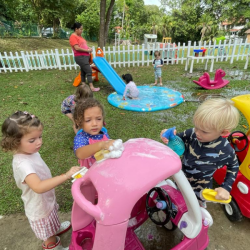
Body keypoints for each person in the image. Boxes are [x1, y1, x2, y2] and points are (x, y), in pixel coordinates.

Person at [1, 111, 81, 250]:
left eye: (40, 137)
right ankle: (53, 246)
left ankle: (54, 229)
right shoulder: (23, 165)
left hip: (45, 200)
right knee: (47, 233)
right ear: (15, 142)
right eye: (32, 140)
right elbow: (38, 186)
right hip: (39, 207)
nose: (39, 142)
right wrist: (66, 175)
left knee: (52, 215)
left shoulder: (30, 152)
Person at [160, 98, 240, 207]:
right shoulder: (192, 133)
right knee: (178, 203)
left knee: (196, 209)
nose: (197, 133)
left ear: (223, 132)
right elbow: (175, 140)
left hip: (201, 189)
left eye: (204, 131)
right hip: (181, 180)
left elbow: (234, 166)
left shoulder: (225, 149)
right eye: (196, 127)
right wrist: (167, 135)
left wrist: (226, 187)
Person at [73, 98, 115, 168]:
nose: (95, 124)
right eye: (88, 120)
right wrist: (101, 145)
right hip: (91, 171)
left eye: (98, 119)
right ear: (78, 122)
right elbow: (80, 154)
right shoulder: (81, 138)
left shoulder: (103, 132)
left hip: (106, 166)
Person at [69, 22, 100, 92]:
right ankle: (91, 87)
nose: (81, 30)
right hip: (80, 57)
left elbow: (83, 44)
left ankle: (83, 86)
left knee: (83, 71)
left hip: (85, 56)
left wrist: (88, 48)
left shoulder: (79, 36)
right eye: (80, 29)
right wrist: (87, 50)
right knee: (89, 71)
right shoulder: (73, 36)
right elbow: (76, 48)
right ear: (76, 29)